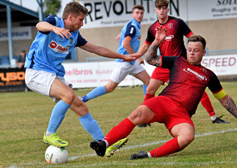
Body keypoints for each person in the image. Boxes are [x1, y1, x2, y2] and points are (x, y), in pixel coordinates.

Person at [89, 27, 237, 160]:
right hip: (163, 102)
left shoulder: (209, 75)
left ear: (204, 52)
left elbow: (224, 99)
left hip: (181, 114)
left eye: (196, 50)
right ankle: (104, 143)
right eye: (189, 49)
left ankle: (147, 155)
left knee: (188, 136)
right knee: (137, 113)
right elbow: (150, 59)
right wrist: (157, 42)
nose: (191, 53)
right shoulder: (178, 61)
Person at [24, 2, 139, 148]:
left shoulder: (75, 36)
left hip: (52, 74)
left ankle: (104, 144)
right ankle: (49, 134)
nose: (82, 24)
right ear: (70, 17)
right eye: (80, 20)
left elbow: (96, 49)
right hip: (36, 72)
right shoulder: (54, 21)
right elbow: (39, 25)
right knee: (69, 96)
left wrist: (122, 56)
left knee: (81, 107)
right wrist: (54, 28)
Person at [137, 0, 228, 126]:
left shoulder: (177, 23)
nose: (162, 11)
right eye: (159, 8)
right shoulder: (153, 28)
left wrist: (198, 48)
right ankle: (143, 119)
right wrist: (135, 55)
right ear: (155, 10)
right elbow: (146, 45)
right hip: (163, 64)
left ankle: (213, 117)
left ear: (167, 9)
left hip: (181, 65)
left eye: (164, 8)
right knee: (150, 89)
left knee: (198, 90)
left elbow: (192, 37)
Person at [81, 5, 150, 104]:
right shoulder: (132, 26)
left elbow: (118, 38)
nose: (139, 15)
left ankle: (147, 105)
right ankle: (83, 99)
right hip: (123, 62)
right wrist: (137, 57)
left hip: (132, 61)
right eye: (137, 13)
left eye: (141, 13)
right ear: (132, 14)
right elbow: (125, 43)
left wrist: (131, 55)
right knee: (109, 88)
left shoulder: (132, 25)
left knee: (147, 81)